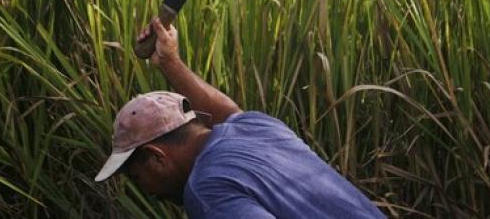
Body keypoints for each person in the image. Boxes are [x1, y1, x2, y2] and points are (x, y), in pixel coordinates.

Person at [95, 17, 384, 218]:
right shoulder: (256, 128)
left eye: (136, 177)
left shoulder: (206, 189)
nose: (145, 191)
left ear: (157, 157)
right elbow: (227, 111)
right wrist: (170, 62)